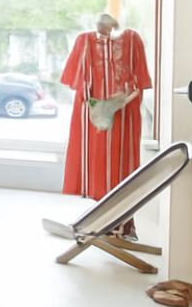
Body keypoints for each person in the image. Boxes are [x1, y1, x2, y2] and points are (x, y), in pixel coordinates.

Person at [60, 14, 152, 212]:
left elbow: (140, 82)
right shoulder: (84, 41)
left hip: (123, 113)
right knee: (90, 159)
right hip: (91, 112)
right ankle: (88, 214)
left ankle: (116, 217)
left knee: (119, 162)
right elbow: (73, 80)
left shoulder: (132, 40)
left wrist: (120, 98)